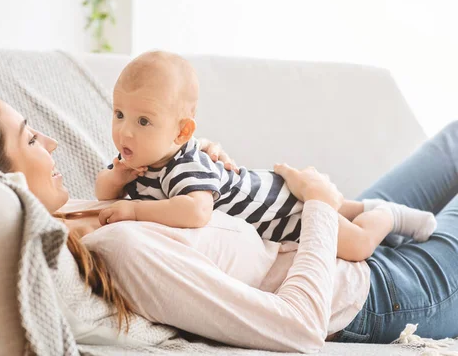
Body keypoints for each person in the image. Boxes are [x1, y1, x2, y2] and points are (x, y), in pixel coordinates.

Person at [0, 88, 458, 352]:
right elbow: (297, 328)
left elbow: (216, 227)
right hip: (384, 293)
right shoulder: (125, 250)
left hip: (332, 245)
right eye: (31, 139)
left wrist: (195, 168)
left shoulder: (93, 211)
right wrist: (317, 205)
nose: (55, 142)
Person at [94, 51, 436, 262]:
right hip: (272, 202)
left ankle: (388, 215)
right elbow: (102, 192)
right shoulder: (136, 158)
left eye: (143, 121)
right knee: (341, 207)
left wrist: (136, 210)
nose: (125, 131)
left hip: (279, 210)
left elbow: (196, 211)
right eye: (119, 114)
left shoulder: (185, 164)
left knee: (358, 245)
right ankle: (367, 210)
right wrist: (115, 179)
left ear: (182, 132)